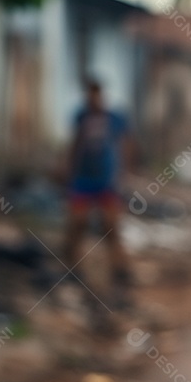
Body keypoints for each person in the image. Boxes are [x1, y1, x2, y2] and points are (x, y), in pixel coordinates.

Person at [62, 78, 132, 303]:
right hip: (82, 180)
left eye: (96, 93)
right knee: (77, 224)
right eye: (89, 94)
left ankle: (120, 269)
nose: (93, 98)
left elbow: (127, 144)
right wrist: (68, 170)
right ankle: (73, 269)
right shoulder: (81, 117)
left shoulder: (114, 118)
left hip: (106, 182)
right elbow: (75, 143)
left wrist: (125, 172)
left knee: (111, 227)